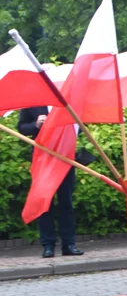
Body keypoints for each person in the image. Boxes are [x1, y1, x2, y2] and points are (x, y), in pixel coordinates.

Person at [17, 106, 83, 258]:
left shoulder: (65, 102)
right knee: (44, 203)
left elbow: (78, 125)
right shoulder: (32, 102)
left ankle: (69, 244)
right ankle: (48, 245)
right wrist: (36, 125)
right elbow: (22, 127)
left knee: (66, 202)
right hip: (43, 159)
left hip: (65, 157)